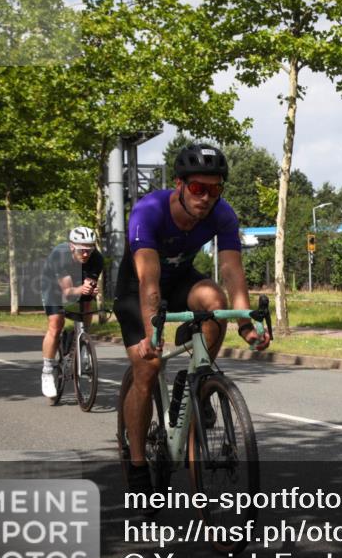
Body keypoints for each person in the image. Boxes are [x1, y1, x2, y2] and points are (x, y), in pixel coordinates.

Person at [113, 143, 269, 497]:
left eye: (215, 189)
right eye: (198, 188)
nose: (206, 197)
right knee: (147, 368)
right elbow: (149, 282)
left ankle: (195, 380)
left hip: (181, 280)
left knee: (214, 300)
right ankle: (137, 466)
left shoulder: (222, 213)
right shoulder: (149, 211)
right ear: (180, 185)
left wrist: (246, 324)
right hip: (137, 288)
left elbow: (231, 270)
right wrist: (152, 334)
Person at [41, 227, 104, 399]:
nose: (86, 254)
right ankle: (47, 371)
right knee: (56, 325)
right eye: (81, 250)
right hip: (53, 286)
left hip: (77, 281)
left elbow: (88, 284)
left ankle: (83, 342)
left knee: (87, 302)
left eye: (89, 249)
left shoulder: (96, 259)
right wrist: (81, 289)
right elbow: (68, 292)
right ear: (71, 247)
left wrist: (91, 289)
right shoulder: (59, 256)